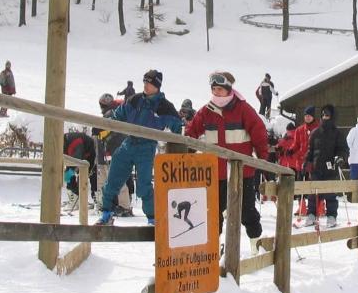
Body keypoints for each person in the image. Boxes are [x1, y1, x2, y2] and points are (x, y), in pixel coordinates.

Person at [184, 71, 269, 241]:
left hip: (242, 172)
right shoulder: (206, 111)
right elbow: (191, 132)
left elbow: (259, 133)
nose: (216, 93)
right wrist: (186, 152)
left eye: (220, 90)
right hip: (216, 173)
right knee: (213, 212)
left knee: (247, 212)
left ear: (229, 89)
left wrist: (263, 159)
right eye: (214, 89)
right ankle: (214, 250)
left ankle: (256, 243)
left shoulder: (243, 109)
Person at [97, 69, 181, 225]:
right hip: (128, 143)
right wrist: (104, 126)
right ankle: (106, 213)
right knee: (113, 179)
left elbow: (177, 127)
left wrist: (179, 145)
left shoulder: (164, 106)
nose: (146, 86)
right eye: (145, 82)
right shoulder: (134, 100)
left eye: (150, 83)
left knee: (144, 185)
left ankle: (152, 218)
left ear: (157, 85)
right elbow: (117, 116)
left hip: (147, 146)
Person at [302, 105, 349, 228]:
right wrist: (306, 161)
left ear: (332, 116)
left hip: (331, 168)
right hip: (317, 168)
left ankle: (331, 216)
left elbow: (343, 149)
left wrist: (340, 158)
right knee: (313, 193)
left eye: (327, 115)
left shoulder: (338, 133)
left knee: (330, 193)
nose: (325, 117)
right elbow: (310, 150)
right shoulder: (315, 133)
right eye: (323, 115)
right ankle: (311, 214)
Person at [94, 93, 132, 217]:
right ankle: (109, 203)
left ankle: (124, 206)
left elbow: (110, 134)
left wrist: (99, 131)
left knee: (115, 179)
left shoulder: (112, 115)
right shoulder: (111, 115)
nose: (102, 107)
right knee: (107, 179)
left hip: (112, 152)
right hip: (107, 153)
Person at [290, 106, 319, 180]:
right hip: (301, 163)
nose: (307, 117)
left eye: (309, 116)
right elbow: (296, 144)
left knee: (312, 188)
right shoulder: (299, 130)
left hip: (314, 164)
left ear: (313, 117)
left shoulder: (319, 129)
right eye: (306, 116)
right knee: (299, 187)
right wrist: (291, 150)